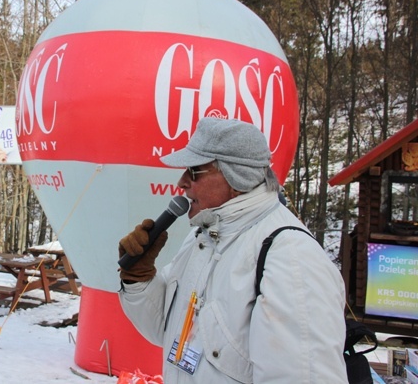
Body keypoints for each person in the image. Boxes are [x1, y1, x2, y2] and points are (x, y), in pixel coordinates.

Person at [118, 117, 347, 383]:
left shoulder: (292, 258)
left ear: (237, 177)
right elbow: (163, 330)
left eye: (194, 170)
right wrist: (139, 278)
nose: (182, 182)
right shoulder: (202, 237)